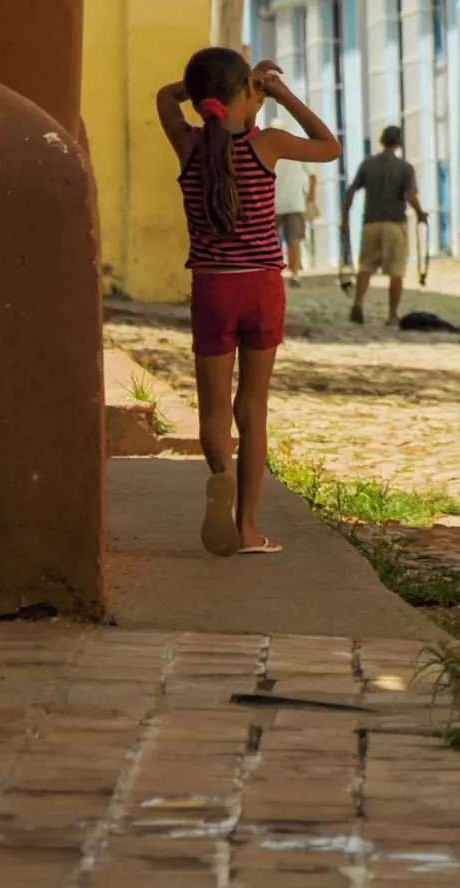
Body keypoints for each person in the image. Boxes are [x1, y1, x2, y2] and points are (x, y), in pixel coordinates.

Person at [157, 48, 340, 557]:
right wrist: (279, 93)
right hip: (261, 288)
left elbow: (163, 98)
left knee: (214, 410)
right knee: (252, 407)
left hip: (212, 288)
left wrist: (204, 90)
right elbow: (330, 147)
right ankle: (248, 529)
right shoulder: (269, 145)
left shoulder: (187, 144)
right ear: (247, 93)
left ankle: (221, 477)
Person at [345, 125, 428, 326]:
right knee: (396, 271)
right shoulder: (405, 167)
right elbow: (410, 195)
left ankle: (358, 303)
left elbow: (351, 191)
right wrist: (420, 214)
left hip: (370, 224)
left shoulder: (368, 164)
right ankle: (392, 315)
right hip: (394, 224)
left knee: (365, 267)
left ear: (382, 141)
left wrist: (343, 219)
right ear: (399, 143)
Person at [273, 154, 316, 278]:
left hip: (274, 202)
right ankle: (295, 273)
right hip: (295, 202)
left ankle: (274, 270)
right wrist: (311, 197)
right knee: (294, 238)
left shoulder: (270, 151)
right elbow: (313, 175)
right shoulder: (295, 150)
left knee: (272, 238)